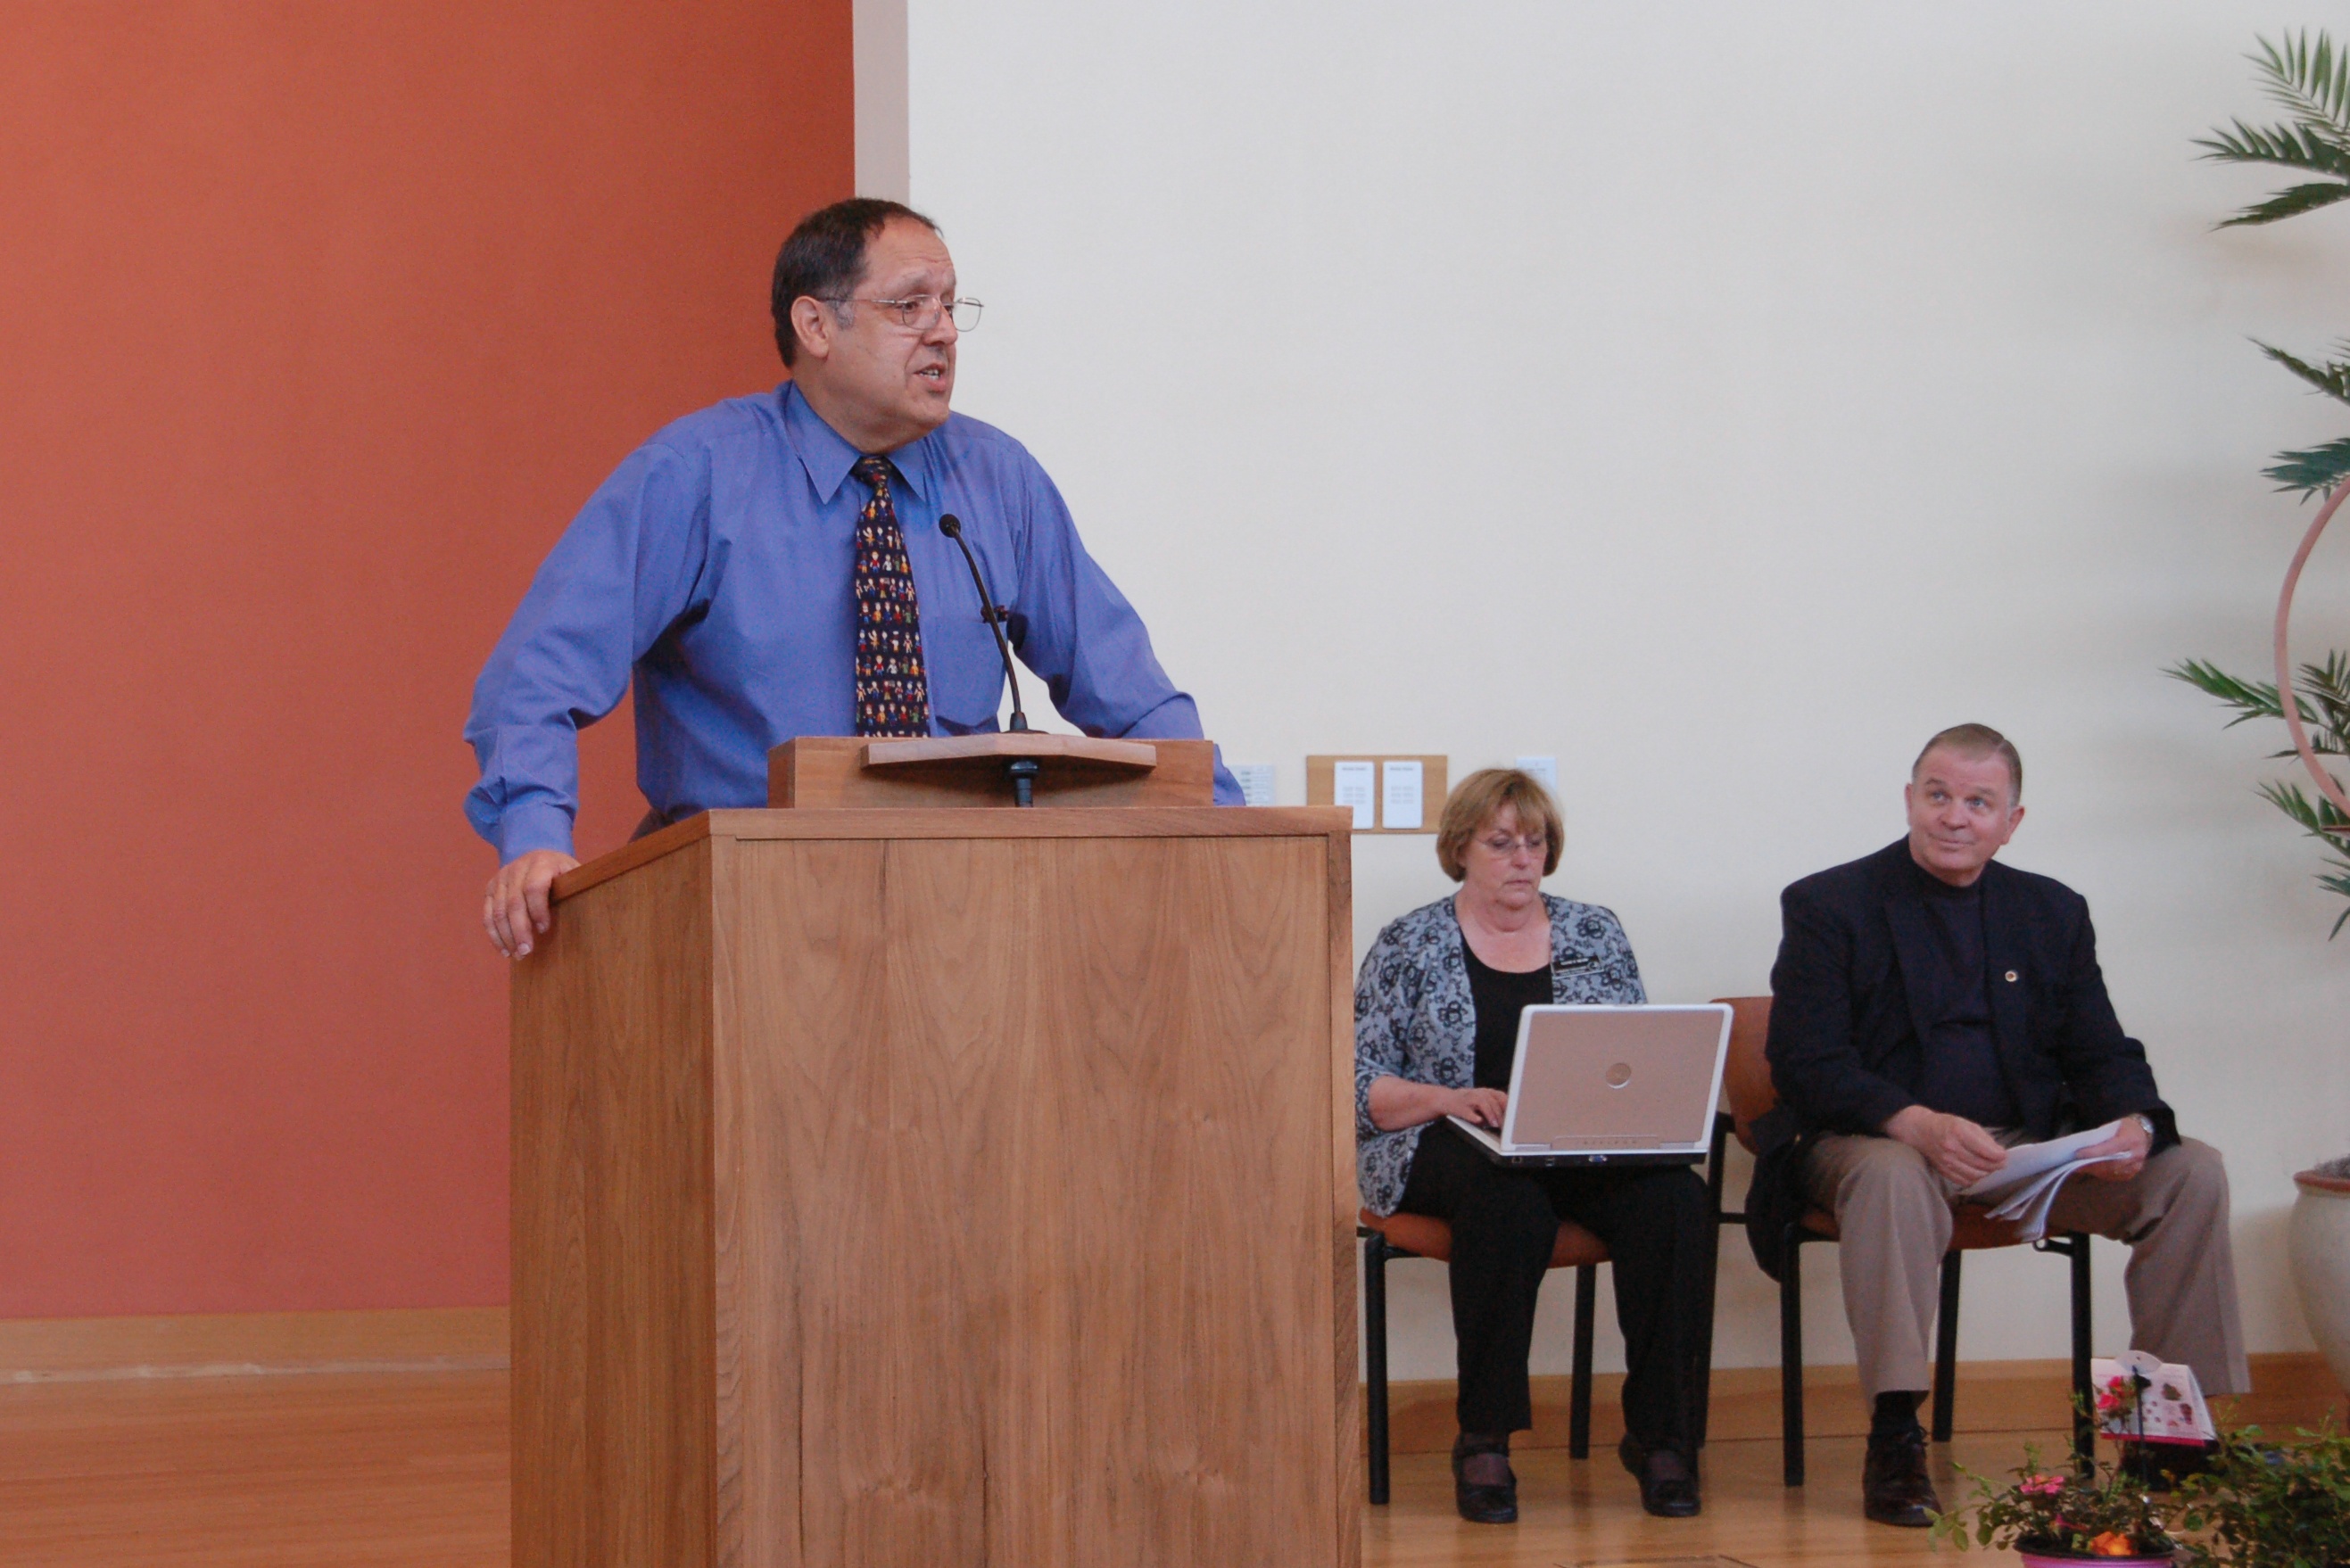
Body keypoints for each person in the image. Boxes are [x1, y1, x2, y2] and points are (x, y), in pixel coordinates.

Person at [466, 198, 1240, 956]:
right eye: (910, 306)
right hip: (745, 916)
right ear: (816, 326)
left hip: (964, 920)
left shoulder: (997, 480)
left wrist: (1237, 829)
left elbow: (1130, 693)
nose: (943, 331)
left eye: (949, 306)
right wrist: (534, 836)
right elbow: (535, 679)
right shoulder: (696, 475)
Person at [1758, 723, 2247, 1528]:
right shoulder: (1828, 903)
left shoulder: (2051, 910)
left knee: (2190, 1169)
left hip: (2020, 1151)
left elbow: (2099, 1049)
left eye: (1978, 803)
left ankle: (2169, 1433)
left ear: (2011, 822)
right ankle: (1895, 1433)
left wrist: (2131, 1121)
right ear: (1909, 800)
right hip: (1872, 1142)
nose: (1955, 816)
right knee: (1892, 1175)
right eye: (1938, 795)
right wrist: (1913, 1122)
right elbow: (1804, 1061)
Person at [1354, 769, 1712, 1523]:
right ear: (1460, 848)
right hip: (1444, 1140)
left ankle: (1661, 1438)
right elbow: (1358, 1078)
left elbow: (1633, 1054)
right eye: (1501, 843)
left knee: (1676, 1200)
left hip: (1577, 1141)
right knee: (1507, 1201)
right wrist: (1447, 1098)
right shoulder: (1409, 942)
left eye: (1536, 842)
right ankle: (1484, 1437)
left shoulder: (1594, 931)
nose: (1523, 859)